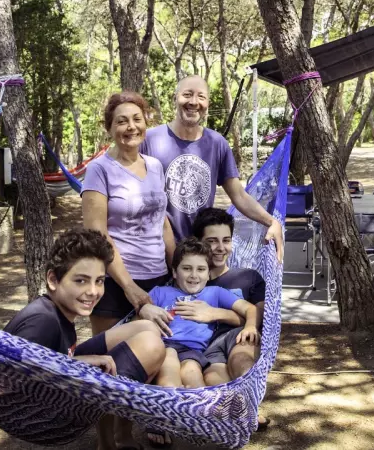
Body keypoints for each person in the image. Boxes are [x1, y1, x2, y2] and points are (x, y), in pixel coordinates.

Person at [81, 90, 177, 450]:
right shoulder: (99, 170)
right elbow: (97, 235)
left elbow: (162, 222)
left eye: (136, 119)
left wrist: (175, 268)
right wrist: (129, 288)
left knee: (141, 364)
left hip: (157, 280)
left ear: (146, 123)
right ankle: (107, 442)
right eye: (121, 121)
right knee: (107, 369)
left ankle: (126, 434)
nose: (130, 127)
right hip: (113, 283)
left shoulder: (155, 166)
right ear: (110, 128)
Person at [141, 75, 284, 261]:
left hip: (200, 257)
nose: (194, 102)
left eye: (201, 97)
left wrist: (271, 221)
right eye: (187, 94)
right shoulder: (149, 140)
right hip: (155, 255)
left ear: (207, 103)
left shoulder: (217, 144)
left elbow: (239, 196)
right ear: (175, 98)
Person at [3, 227, 165, 384]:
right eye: (81, 281)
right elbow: (15, 382)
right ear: (53, 280)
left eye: (99, 281)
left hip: (63, 369)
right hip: (58, 398)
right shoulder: (43, 322)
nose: (93, 291)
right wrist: (79, 364)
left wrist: (76, 361)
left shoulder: (58, 313)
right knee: (151, 346)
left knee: (146, 327)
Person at [140, 237, 258, 448]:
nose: (194, 275)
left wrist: (250, 326)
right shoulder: (159, 292)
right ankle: (162, 417)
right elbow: (135, 322)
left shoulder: (215, 293)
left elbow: (250, 309)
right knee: (169, 363)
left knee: (193, 375)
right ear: (174, 272)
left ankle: (201, 420)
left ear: (208, 273)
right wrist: (145, 311)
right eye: (187, 268)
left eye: (201, 269)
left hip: (193, 351)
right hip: (162, 346)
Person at [188, 208, 271, 429]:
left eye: (226, 240)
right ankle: (237, 417)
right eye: (212, 241)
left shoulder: (248, 277)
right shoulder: (192, 281)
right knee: (213, 379)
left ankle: (250, 406)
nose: (220, 247)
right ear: (198, 242)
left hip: (241, 336)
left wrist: (217, 314)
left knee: (240, 360)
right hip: (208, 348)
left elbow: (260, 313)